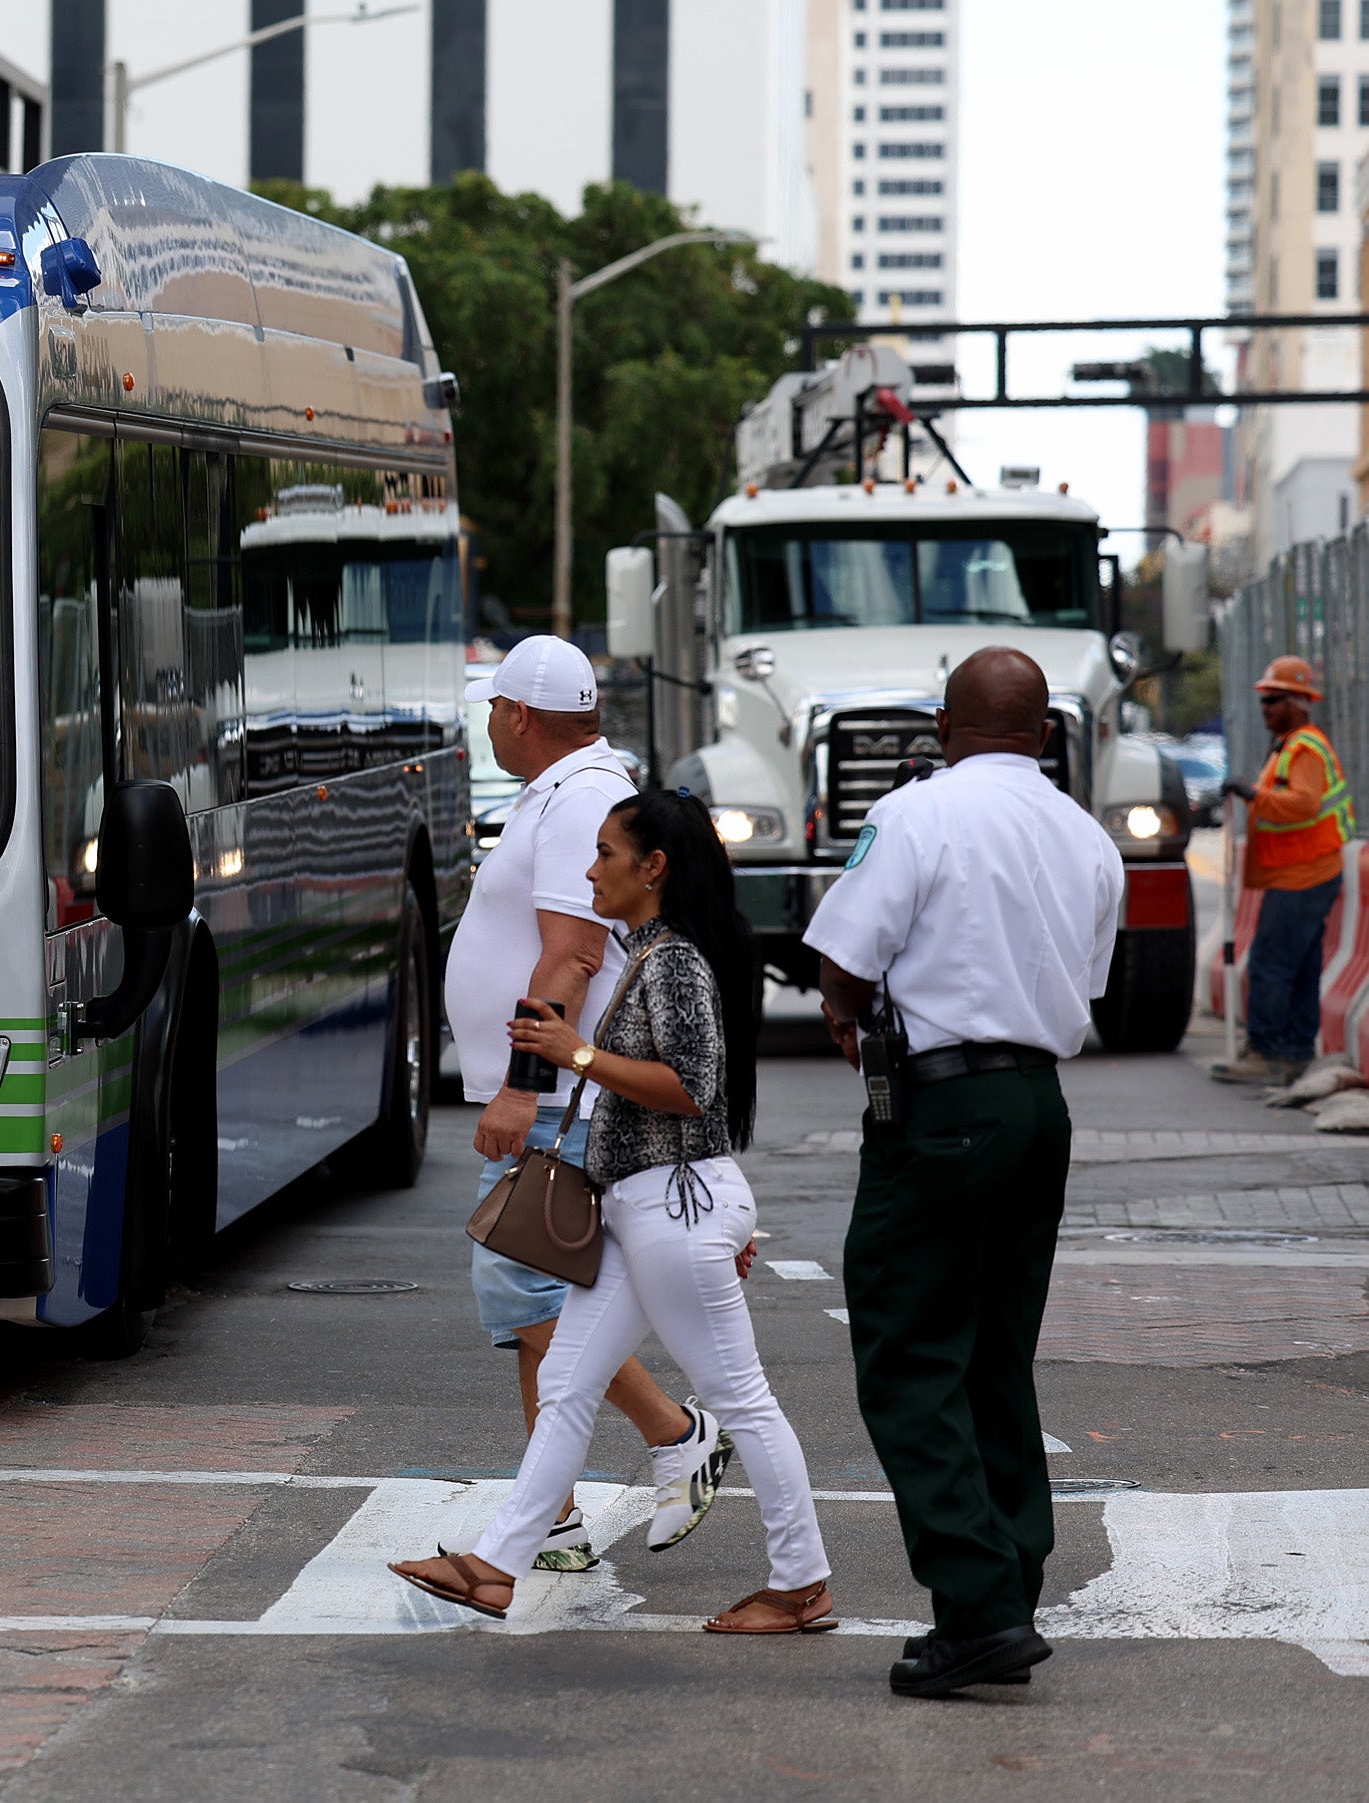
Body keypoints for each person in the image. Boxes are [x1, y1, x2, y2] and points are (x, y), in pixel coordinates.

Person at [393, 789, 832, 1632]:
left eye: (605, 854)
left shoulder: (672, 961)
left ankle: (802, 1582)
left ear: (653, 868)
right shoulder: (652, 949)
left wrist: (576, 1052)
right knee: (563, 1382)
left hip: (672, 1205)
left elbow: (692, 1090)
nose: (591, 870)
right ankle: (495, 1567)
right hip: (649, 1209)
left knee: (739, 1397)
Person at [807, 646, 1121, 1698]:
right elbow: (1086, 980)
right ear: (1043, 734)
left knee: (906, 1346)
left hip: (943, 1108)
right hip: (1039, 1103)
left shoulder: (917, 814)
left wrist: (846, 1016)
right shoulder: (1086, 838)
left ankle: (978, 1609)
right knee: (994, 1353)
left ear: (945, 727)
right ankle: (1009, 1589)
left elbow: (845, 958)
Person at [439, 636, 730, 1570]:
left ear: (520, 715)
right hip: (554, 1082)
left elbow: (567, 954)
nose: (488, 722)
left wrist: (526, 1091)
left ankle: (675, 1429)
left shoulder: (576, 802)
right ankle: (554, 1511)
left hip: (558, 1088)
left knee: (520, 1284)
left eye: (493, 708)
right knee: (544, 1276)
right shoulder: (568, 792)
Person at [1210, 655, 1351, 1085]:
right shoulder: (1290, 746)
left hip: (1302, 875)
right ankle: (1294, 1054)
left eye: (1272, 700)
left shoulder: (1303, 748)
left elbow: (1304, 805)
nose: (1264, 709)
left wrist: (1252, 795)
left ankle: (1267, 1052)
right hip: (1305, 873)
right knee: (1302, 968)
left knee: (1271, 964)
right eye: (1263, 701)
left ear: (1298, 702)